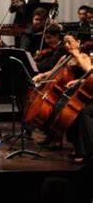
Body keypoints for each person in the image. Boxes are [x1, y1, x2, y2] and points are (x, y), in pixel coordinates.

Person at [32, 32, 92, 164]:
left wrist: (77, 56)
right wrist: (42, 76)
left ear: (78, 42)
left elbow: (89, 71)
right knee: (60, 108)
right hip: (68, 92)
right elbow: (54, 71)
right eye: (65, 42)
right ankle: (66, 142)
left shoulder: (84, 56)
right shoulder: (65, 57)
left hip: (81, 94)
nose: (67, 45)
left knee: (69, 112)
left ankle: (78, 148)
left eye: (70, 42)